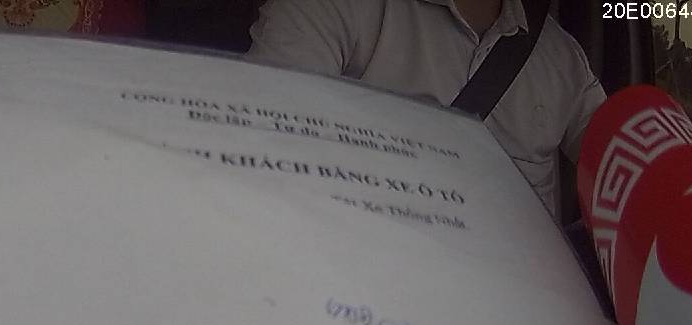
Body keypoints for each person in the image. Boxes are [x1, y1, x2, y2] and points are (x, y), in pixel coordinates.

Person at [247, 0, 606, 219]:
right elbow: (267, 158)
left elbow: (623, 164)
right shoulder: (329, 9)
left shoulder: (564, 61)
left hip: (529, 302)